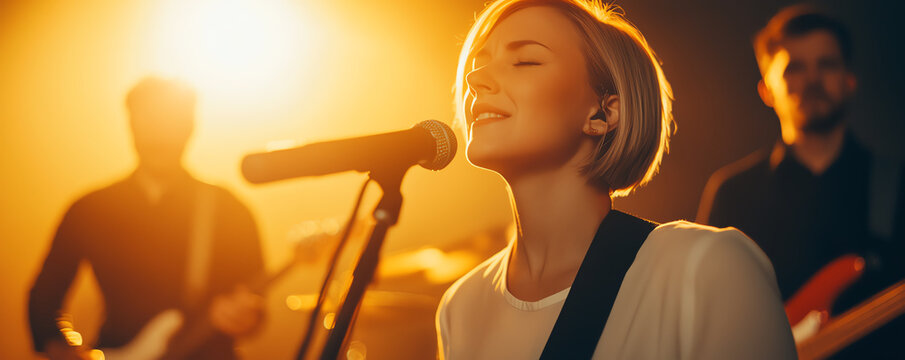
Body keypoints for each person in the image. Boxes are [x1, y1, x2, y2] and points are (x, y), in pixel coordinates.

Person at [435, 0, 797, 359]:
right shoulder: (460, 308)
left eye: (526, 60)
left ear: (603, 113)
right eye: (479, 63)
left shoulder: (707, 268)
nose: (475, 78)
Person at [697, 5, 905, 358]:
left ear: (849, 80)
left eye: (827, 64)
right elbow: (703, 320)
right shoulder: (731, 193)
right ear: (766, 90)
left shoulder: (897, 185)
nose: (812, 79)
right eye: (794, 67)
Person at [29, 77, 266, 359]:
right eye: (149, 121)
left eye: (171, 122)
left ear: (191, 127)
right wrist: (66, 351)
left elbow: (257, 302)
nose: (159, 134)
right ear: (131, 124)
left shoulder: (228, 209)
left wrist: (247, 317)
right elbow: (44, 301)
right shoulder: (90, 208)